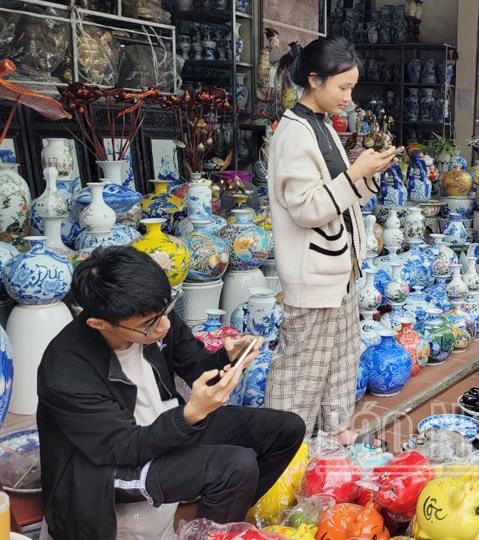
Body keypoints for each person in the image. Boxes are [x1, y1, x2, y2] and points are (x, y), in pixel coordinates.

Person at [36, 247, 305, 539]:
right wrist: (190, 415)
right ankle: (211, 526)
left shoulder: (153, 313)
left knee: (286, 429)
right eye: (149, 324)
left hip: (164, 430)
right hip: (105, 470)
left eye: (165, 311)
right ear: (99, 324)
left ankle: (220, 522)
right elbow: (125, 448)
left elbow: (196, 365)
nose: (164, 325)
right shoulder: (66, 370)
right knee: (235, 467)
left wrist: (228, 359)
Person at [265, 36, 396, 444]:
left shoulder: (320, 125)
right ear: (314, 80)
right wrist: (356, 174)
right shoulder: (294, 133)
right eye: (343, 87)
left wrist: (368, 174)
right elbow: (307, 209)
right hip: (314, 275)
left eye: (351, 88)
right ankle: (284, 453)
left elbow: (339, 194)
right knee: (300, 375)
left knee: (339, 363)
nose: (348, 98)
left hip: (338, 270)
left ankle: (335, 439)